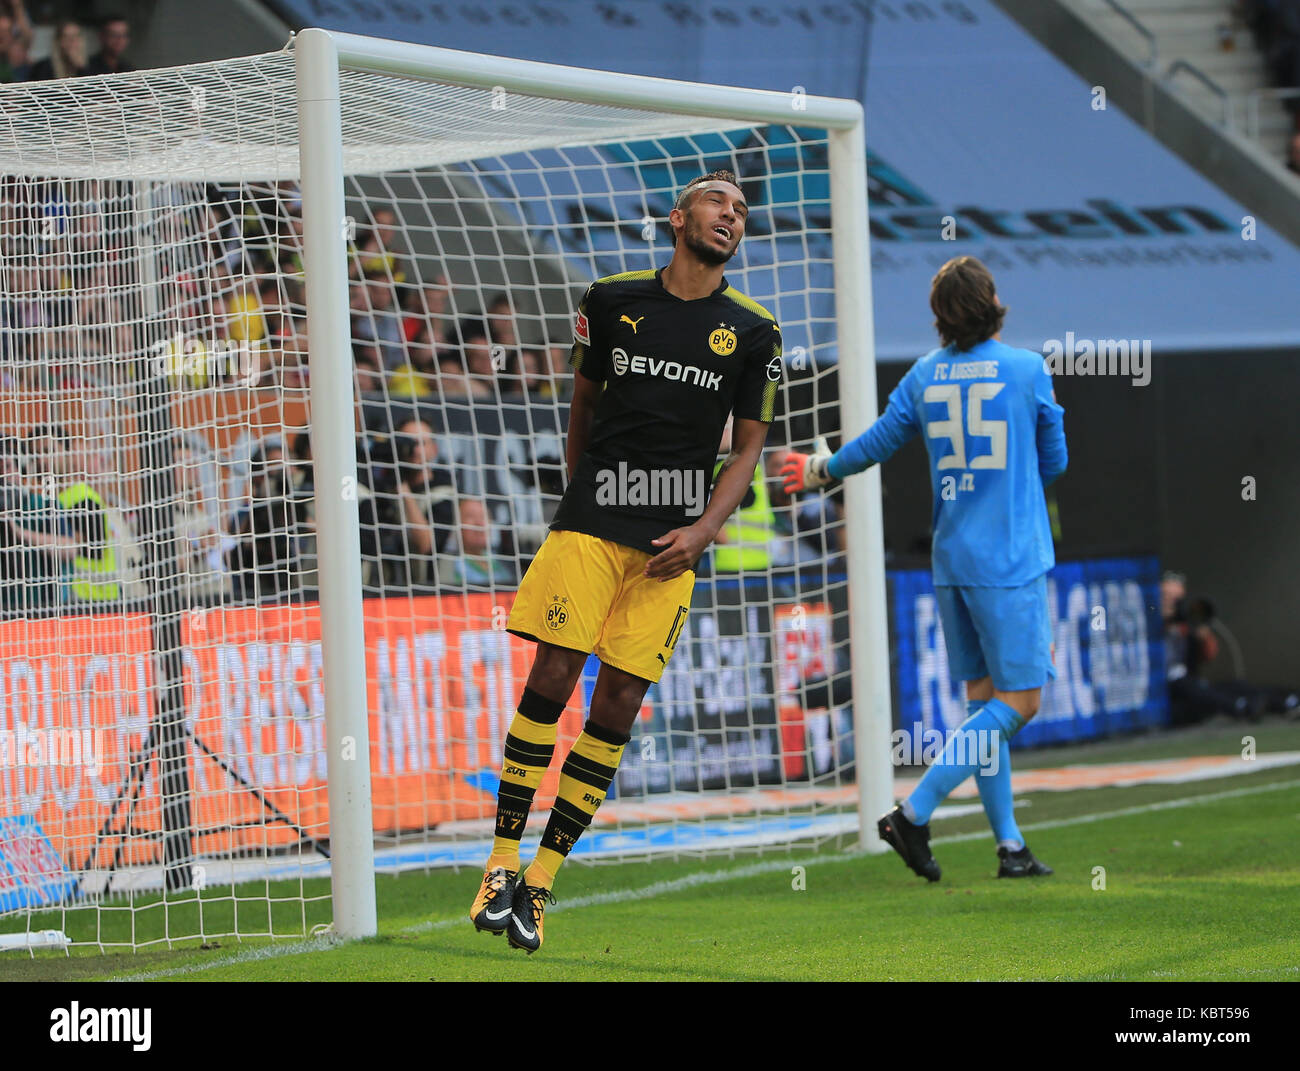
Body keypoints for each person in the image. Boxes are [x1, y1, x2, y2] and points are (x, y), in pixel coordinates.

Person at [468, 168, 781, 953]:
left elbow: (748, 448)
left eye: (742, 211)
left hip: (673, 544)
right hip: (593, 518)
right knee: (552, 676)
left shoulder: (753, 330)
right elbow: (583, 400)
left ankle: (540, 884)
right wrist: (583, 494)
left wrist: (705, 530)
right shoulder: (609, 301)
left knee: (616, 707)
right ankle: (499, 863)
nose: (732, 216)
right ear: (679, 217)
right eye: (719, 203)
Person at [782, 255, 1067, 882]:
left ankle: (1010, 847)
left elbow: (877, 442)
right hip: (1010, 559)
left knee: (984, 705)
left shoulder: (924, 377)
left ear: (939, 317)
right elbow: (1055, 461)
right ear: (993, 301)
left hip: (952, 558)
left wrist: (818, 470)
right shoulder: (1026, 370)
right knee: (1020, 702)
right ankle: (913, 813)